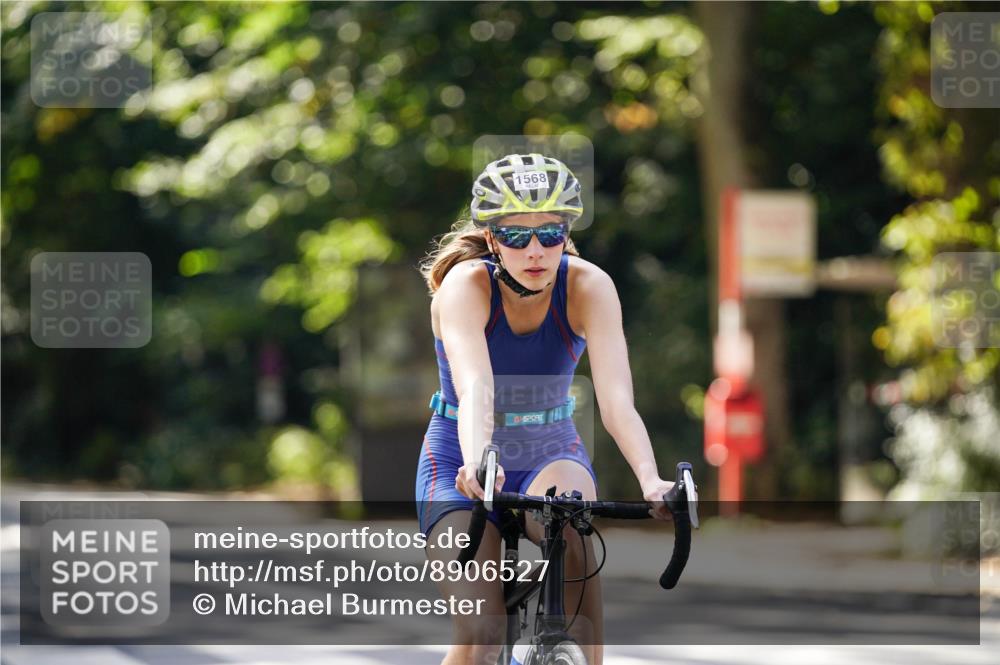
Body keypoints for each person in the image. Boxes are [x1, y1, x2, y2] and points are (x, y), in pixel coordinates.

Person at [415, 154, 675, 665]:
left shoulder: (589, 286)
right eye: (515, 237)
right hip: (458, 457)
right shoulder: (464, 287)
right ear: (491, 239)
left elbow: (617, 399)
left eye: (550, 234)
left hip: (549, 450)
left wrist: (651, 481)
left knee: (574, 537)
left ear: (566, 232)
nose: (535, 251)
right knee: (481, 637)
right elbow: (476, 391)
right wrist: (478, 461)